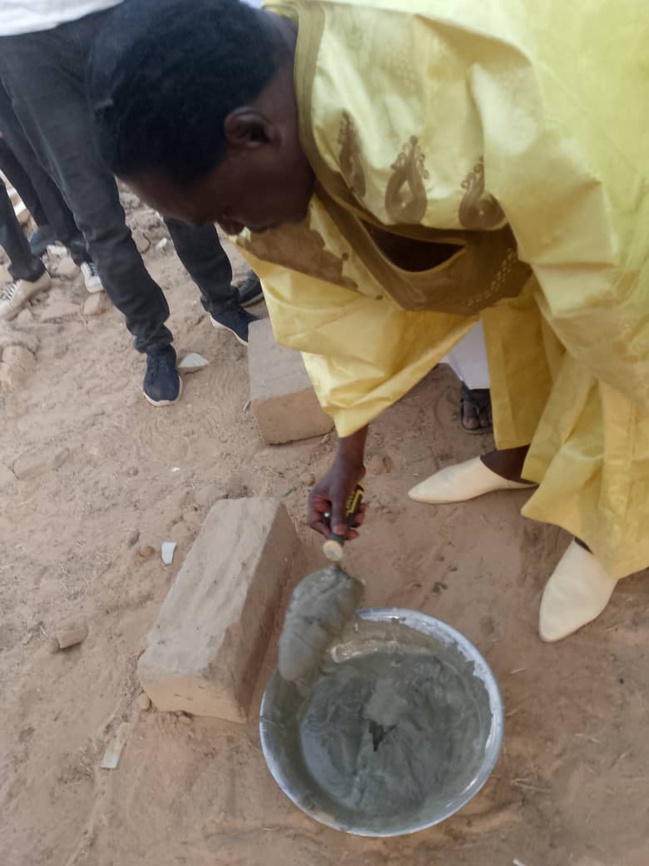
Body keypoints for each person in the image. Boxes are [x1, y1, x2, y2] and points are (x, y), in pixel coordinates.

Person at [88, 0, 649, 641]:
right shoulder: (271, 101)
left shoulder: (476, 84)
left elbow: (626, 285)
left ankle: (609, 524)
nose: (235, 231)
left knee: (611, 329)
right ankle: (523, 454)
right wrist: (348, 452)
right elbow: (322, 301)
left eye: (227, 210)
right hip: (530, 189)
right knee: (516, 305)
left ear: (251, 133)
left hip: (616, 160)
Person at [0, 1, 263, 407]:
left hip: (117, 14)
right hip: (25, 43)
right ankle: (153, 342)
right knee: (97, 217)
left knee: (175, 176)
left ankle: (221, 299)